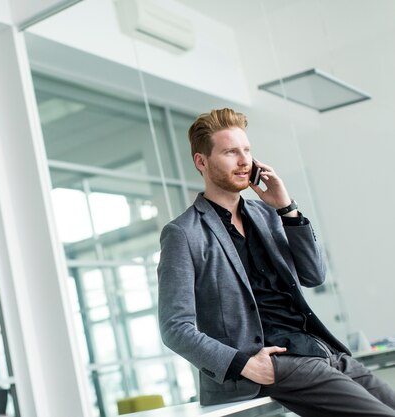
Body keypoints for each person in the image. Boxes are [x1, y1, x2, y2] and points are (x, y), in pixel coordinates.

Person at [157, 108, 395, 416]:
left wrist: (286, 209)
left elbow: (313, 275)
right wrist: (244, 364)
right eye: (231, 152)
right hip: (278, 364)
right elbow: (174, 328)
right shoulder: (183, 233)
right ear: (201, 162)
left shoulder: (267, 214)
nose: (244, 161)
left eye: (247, 151)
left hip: (322, 350)